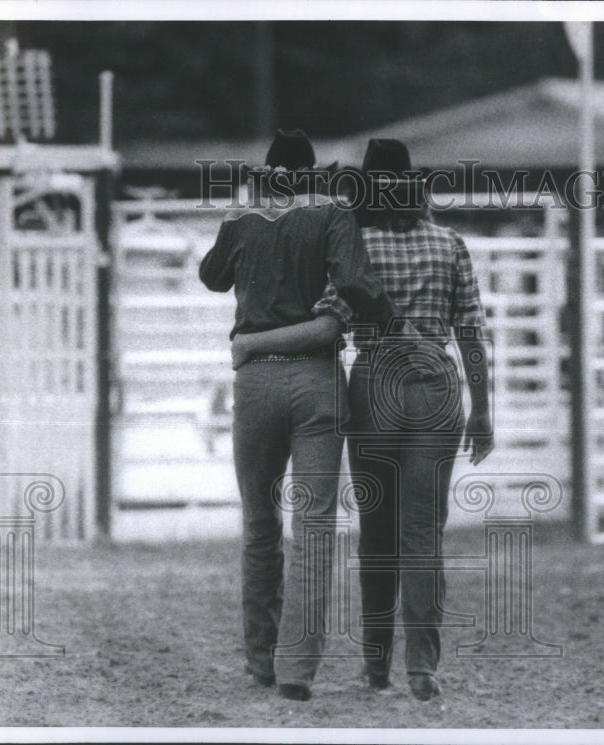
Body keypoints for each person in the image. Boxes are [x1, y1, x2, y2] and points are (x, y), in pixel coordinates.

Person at [231, 138, 494, 701]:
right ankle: (423, 666)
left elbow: (333, 313)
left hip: (376, 381)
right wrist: (484, 407)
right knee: (424, 531)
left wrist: (254, 341)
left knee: (376, 534)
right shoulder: (450, 244)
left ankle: (376, 667)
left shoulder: (358, 242)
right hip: (437, 386)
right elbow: (470, 327)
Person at [199, 129, 394, 703]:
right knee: (313, 529)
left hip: (255, 380)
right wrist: (387, 313)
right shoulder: (332, 213)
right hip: (315, 377)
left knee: (260, 525)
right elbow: (355, 281)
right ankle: (295, 669)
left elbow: (212, 276)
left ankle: (259, 658)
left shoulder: (244, 214)